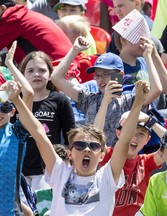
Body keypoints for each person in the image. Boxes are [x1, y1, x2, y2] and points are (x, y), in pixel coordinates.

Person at [11, 75, 150, 215]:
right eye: (80, 145)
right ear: (70, 154)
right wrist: (17, 99)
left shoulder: (107, 177)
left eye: (94, 146)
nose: (87, 149)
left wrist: (138, 101)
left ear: (102, 156)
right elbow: (38, 132)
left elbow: (125, 140)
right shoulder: (60, 172)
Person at [51, 36, 159, 147]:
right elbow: (56, 78)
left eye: (106, 74)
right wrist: (75, 50)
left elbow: (157, 90)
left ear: (120, 75)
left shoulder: (130, 100)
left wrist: (148, 57)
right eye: (97, 75)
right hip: (94, 157)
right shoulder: (89, 99)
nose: (101, 80)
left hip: (120, 159)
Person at [94, 82, 166, 215]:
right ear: (118, 133)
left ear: (147, 140)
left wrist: (150, 121)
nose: (134, 138)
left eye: (140, 134)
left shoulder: (147, 162)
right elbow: (94, 138)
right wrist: (105, 103)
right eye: (130, 132)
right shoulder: (108, 155)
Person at [17, 49, 76, 191]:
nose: (36, 74)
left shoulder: (59, 99)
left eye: (42, 70)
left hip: (48, 171)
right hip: (19, 170)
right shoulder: (16, 100)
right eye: (30, 71)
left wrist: (69, 164)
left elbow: (71, 135)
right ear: (22, 75)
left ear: (50, 75)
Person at [0, 0, 72, 65]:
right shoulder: (21, 14)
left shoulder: (13, 19)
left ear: (2, 9)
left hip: (60, 68)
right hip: (63, 65)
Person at [0, 81, 31, 215]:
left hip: (9, 211)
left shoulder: (17, 132)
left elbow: (29, 94)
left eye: (4, 107)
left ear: (12, 111)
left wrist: (9, 63)